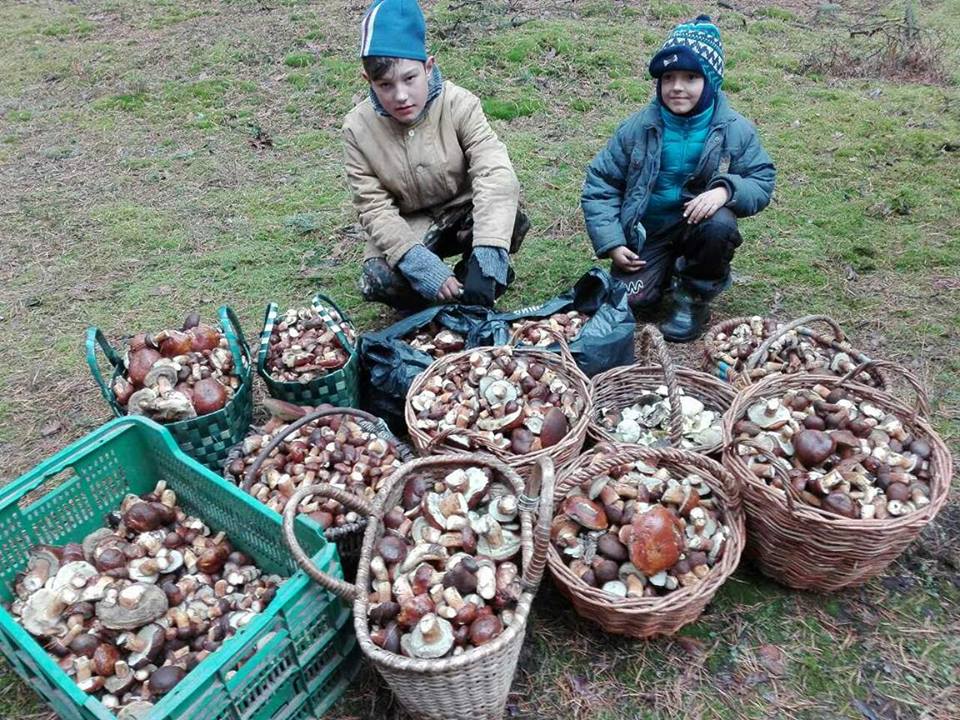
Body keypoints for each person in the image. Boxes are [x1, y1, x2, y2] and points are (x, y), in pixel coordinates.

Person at [581, 15, 775, 342]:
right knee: (632, 302)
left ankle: (693, 298)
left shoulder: (734, 128)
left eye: (690, 77)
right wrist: (612, 242)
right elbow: (600, 184)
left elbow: (762, 179)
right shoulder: (637, 128)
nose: (677, 88)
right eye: (668, 77)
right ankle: (664, 272)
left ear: (710, 81)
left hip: (699, 224)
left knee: (719, 225)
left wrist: (726, 191)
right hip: (648, 232)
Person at [343, 0, 528, 311]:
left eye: (410, 79)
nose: (400, 96)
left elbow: (494, 171)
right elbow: (373, 207)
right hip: (409, 223)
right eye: (385, 85)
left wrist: (487, 253)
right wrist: (420, 266)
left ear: (428, 67)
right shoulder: (357, 129)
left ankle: (478, 275)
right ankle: (436, 299)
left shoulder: (460, 104)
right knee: (379, 278)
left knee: (509, 219)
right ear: (368, 81)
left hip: (462, 211)